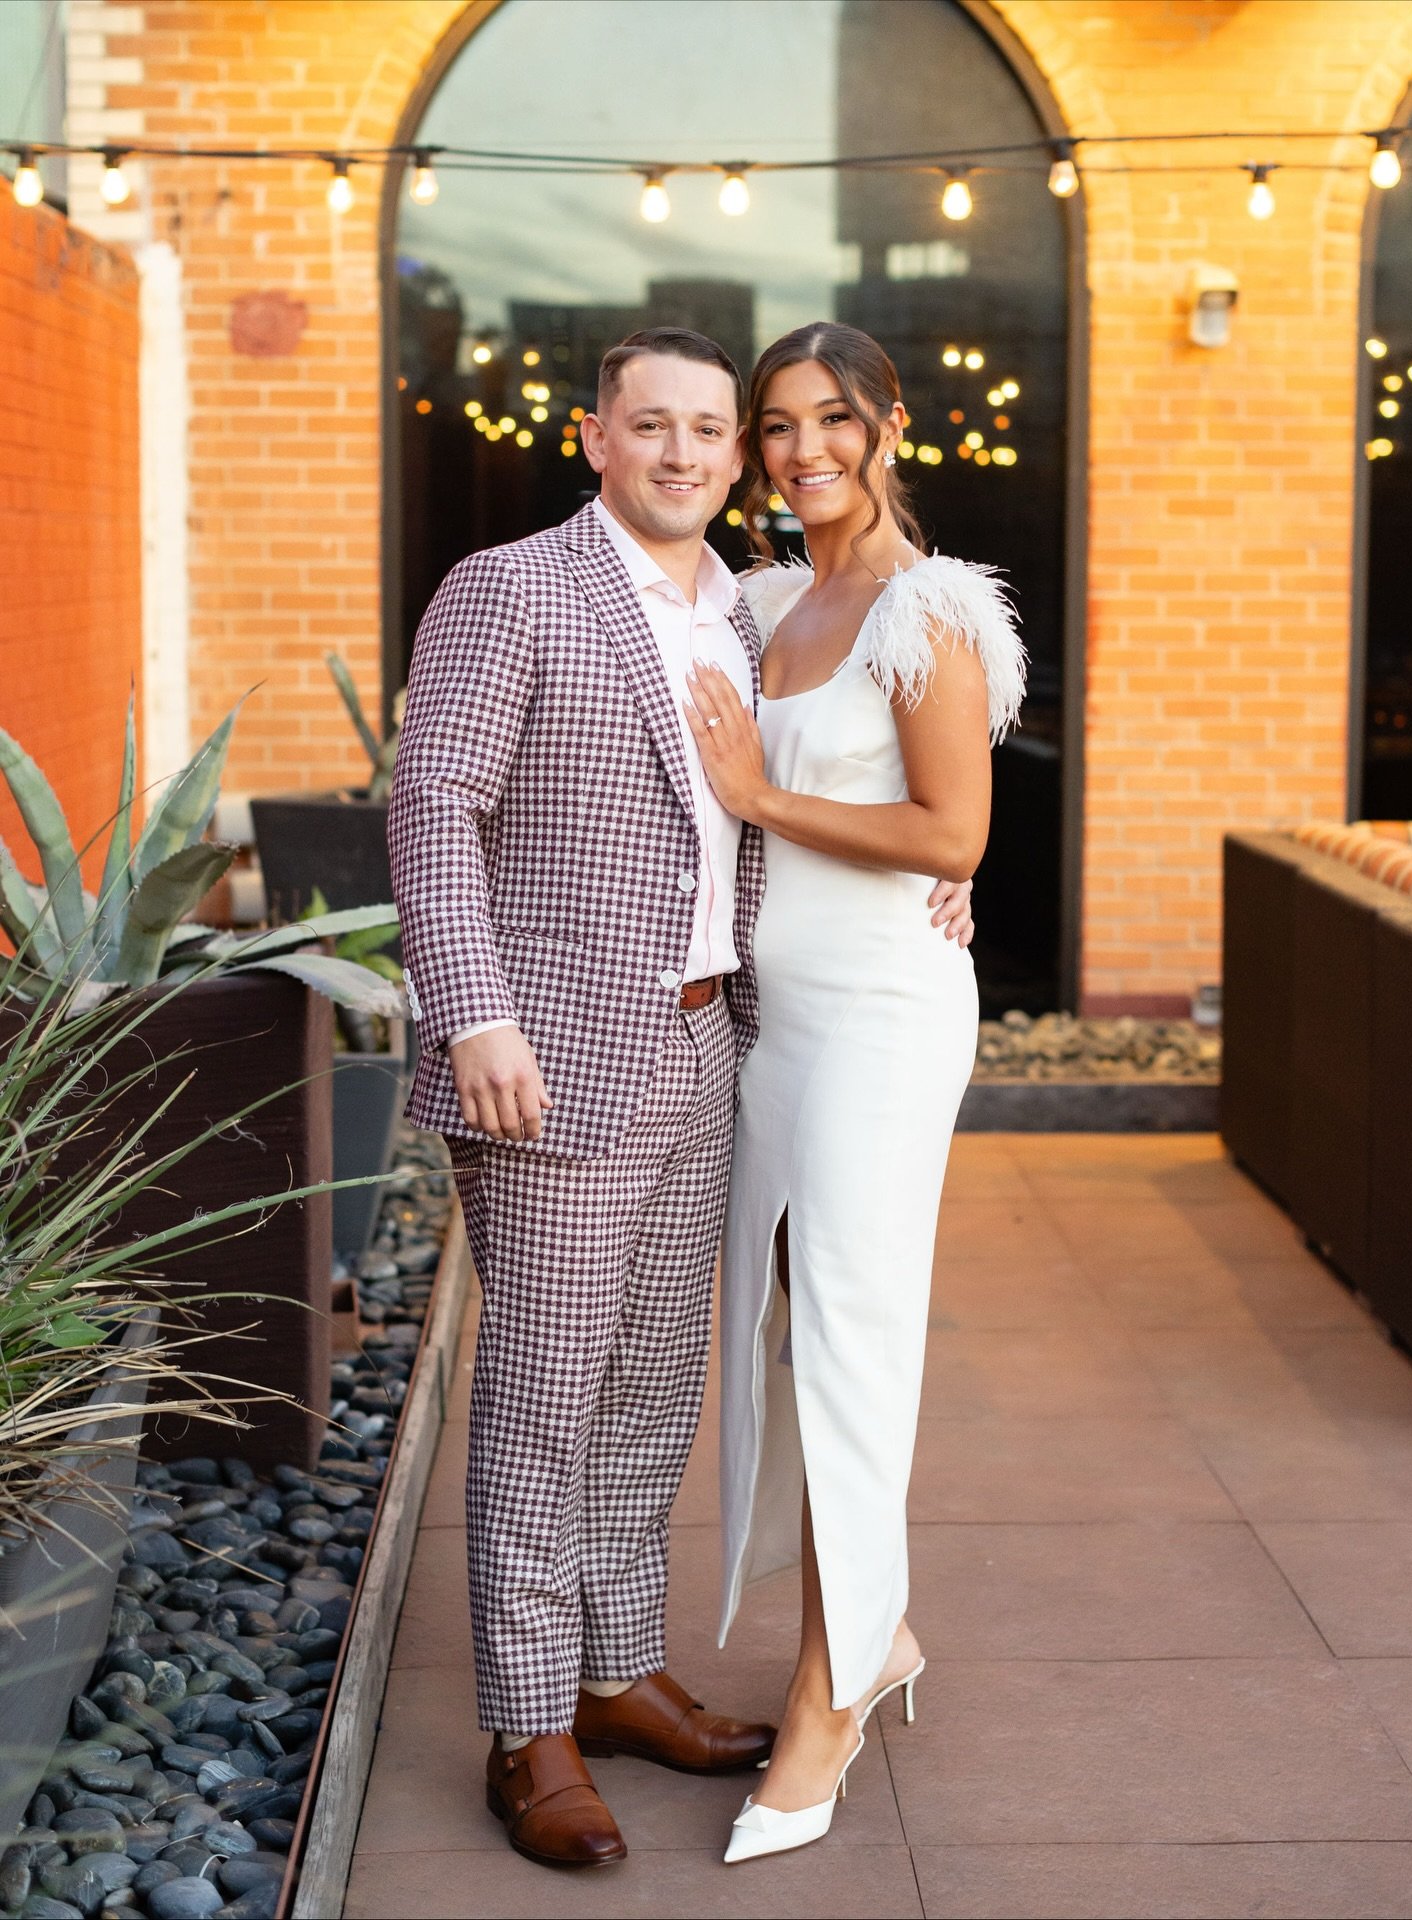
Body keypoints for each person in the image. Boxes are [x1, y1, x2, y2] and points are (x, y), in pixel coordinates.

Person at [387, 326, 975, 1871]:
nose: (687, 453)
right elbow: (435, 803)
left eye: (714, 431)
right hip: (554, 1058)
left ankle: (616, 1664)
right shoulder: (511, 588)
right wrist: (476, 1016)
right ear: (594, 436)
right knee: (544, 1390)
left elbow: (777, 821)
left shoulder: (745, 610)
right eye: (653, 425)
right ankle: (529, 1729)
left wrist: (916, 901)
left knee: (654, 1387)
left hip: (722, 1045)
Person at [681, 320, 1025, 1864]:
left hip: (884, 1015)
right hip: (780, 1019)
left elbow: (955, 839)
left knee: (848, 1341)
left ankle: (831, 1689)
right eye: (776, 426)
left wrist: (762, 795)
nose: (802, 448)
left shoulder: (926, 609)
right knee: (782, 1331)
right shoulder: (766, 603)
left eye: (832, 419)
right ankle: (870, 1635)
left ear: (889, 424)